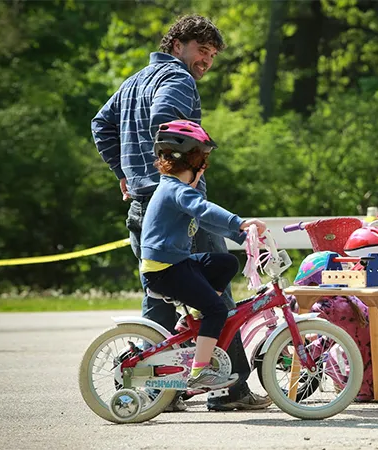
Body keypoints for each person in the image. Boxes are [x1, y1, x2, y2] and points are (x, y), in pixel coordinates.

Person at [91, 15, 269, 411]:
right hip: (178, 209)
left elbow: (101, 124)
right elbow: (166, 122)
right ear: (177, 45)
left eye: (211, 56)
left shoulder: (134, 80)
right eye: (201, 51)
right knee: (217, 292)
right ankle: (230, 388)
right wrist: (180, 168)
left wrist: (124, 172)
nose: (205, 62)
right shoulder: (177, 80)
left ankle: (158, 390)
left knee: (160, 297)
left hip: (142, 204)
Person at [140, 120, 266, 391]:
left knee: (225, 263)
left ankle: (197, 317)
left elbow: (207, 223)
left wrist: (245, 238)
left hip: (174, 264)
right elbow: (205, 210)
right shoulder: (176, 190)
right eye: (204, 162)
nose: (205, 168)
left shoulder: (174, 189)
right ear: (194, 163)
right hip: (164, 271)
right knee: (217, 309)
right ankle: (199, 372)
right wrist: (240, 222)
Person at [290, 252, 378, 401]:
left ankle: (352, 389)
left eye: (310, 286)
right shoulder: (350, 298)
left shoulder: (329, 306)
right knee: (354, 339)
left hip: (366, 387)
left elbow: (298, 308)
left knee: (333, 351)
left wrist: (299, 356)